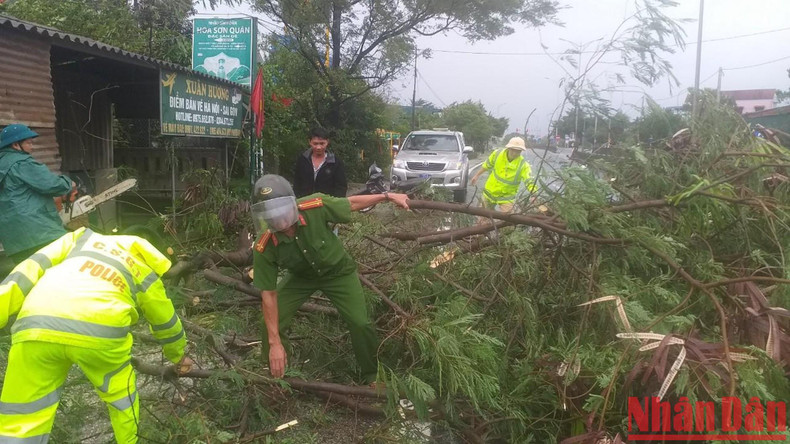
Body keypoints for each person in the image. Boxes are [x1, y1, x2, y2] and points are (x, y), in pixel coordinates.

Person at [0, 228, 193, 443]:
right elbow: (165, 320)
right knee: (122, 401)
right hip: (101, 333)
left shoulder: (79, 238)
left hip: (36, 323)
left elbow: (26, 271)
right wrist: (178, 356)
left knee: (22, 414)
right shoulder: (142, 268)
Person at [250, 175, 409, 384]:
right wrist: (275, 344)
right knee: (270, 324)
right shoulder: (264, 244)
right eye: (271, 215)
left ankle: (372, 375)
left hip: (338, 272)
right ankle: (278, 375)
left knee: (360, 322)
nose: (279, 221)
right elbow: (268, 295)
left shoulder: (314, 205)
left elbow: (351, 204)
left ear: (291, 203)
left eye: (281, 212)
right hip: (301, 277)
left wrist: (388, 196)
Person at [0, 123, 77, 264]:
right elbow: (51, 184)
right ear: (16, 145)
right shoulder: (22, 163)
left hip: (14, 241)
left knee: (29, 278)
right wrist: (68, 183)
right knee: (57, 273)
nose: (32, 147)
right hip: (40, 232)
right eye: (28, 143)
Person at [470, 136, 536, 221]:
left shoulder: (523, 165)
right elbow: (487, 165)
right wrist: (477, 175)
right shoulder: (497, 154)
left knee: (508, 222)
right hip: (490, 192)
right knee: (482, 219)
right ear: (509, 148)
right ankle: (480, 233)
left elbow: (529, 180)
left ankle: (503, 233)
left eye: (518, 151)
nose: (515, 153)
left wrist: (534, 194)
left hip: (507, 197)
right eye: (513, 149)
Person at [293, 127, 347, 198]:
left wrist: (333, 204)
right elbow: (297, 183)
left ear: (327, 142)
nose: (318, 147)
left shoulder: (335, 163)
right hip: (304, 204)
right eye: (315, 144)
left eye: (322, 143)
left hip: (326, 204)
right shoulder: (303, 160)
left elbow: (341, 187)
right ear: (309, 142)